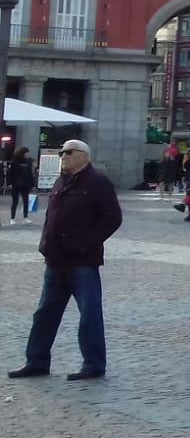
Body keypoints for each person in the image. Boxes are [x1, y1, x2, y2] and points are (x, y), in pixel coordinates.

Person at [8, 140, 122, 381]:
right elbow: (52, 216)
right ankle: (36, 361)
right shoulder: (61, 181)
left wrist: (84, 243)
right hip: (55, 260)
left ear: (84, 156)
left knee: (89, 314)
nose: (63, 156)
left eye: (68, 152)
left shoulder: (97, 182)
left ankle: (93, 364)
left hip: (82, 261)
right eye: (62, 152)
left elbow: (112, 218)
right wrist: (45, 243)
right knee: (44, 314)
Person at [8, 146, 36, 224]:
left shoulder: (28, 162)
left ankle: (25, 217)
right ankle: (12, 218)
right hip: (16, 184)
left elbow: (30, 174)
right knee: (15, 201)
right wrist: (9, 183)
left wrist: (33, 185)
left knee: (26, 201)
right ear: (22, 153)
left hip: (26, 184)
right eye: (26, 153)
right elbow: (10, 174)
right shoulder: (14, 162)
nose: (27, 154)